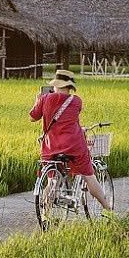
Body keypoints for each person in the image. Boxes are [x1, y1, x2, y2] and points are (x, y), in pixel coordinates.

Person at [29, 69, 113, 216]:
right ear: (69, 87)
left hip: (51, 146)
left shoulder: (45, 99)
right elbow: (70, 121)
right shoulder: (76, 101)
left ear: (56, 85)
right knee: (89, 176)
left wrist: (38, 102)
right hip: (74, 145)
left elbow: (33, 117)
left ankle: (46, 216)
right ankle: (109, 209)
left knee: (51, 181)